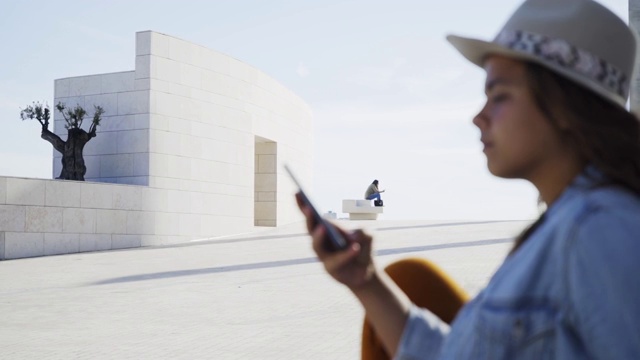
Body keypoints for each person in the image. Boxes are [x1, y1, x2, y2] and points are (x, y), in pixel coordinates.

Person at [295, 0, 640, 358]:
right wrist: (365, 280)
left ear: (566, 107)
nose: (479, 117)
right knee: (408, 276)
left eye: (499, 96)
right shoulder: (568, 226)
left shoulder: (599, 231)